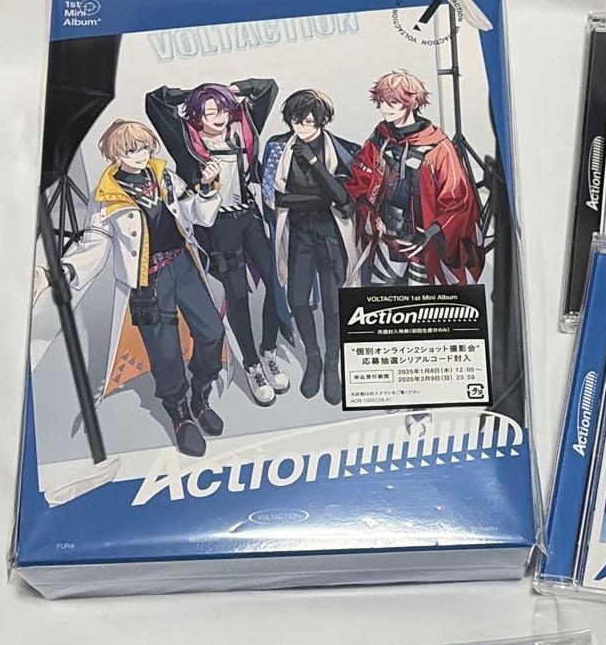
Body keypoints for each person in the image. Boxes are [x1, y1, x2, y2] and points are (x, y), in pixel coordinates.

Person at [32, 119, 229, 457]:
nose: (141, 154)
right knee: (165, 352)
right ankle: (179, 412)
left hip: (182, 263)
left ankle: (200, 393)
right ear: (115, 155)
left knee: (212, 332)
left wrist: (208, 187)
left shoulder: (165, 176)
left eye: (144, 147)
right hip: (146, 281)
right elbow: (94, 243)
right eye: (131, 150)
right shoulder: (106, 197)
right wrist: (57, 271)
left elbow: (197, 215)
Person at [146, 79, 287, 406]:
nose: (218, 118)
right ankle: (252, 365)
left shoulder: (242, 130)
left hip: (249, 217)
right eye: (209, 113)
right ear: (197, 116)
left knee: (276, 283)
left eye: (222, 110)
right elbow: (155, 101)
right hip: (219, 226)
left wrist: (230, 89)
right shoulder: (185, 140)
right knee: (237, 295)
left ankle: (268, 351)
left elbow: (267, 88)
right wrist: (194, 93)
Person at [261, 89, 360, 404]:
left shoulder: (342, 149)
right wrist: (322, 198)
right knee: (297, 300)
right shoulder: (278, 148)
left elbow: (343, 197)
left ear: (322, 121)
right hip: (299, 234)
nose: (301, 127)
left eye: (308, 121)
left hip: (331, 235)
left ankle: (332, 364)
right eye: (296, 120)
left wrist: (315, 164)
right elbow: (275, 198)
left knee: (333, 306)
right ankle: (314, 359)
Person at [345, 70, 482, 286]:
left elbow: (459, 201)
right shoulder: (379, 138)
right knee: (381, 300)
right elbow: (359, 180)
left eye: (393, 102)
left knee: (424, 302)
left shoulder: (439, 147)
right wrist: (370, 214)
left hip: (423, 246)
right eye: (382, 102)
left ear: (413, 103)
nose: (385, 108)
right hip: (386, 240)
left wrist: (431, 233)